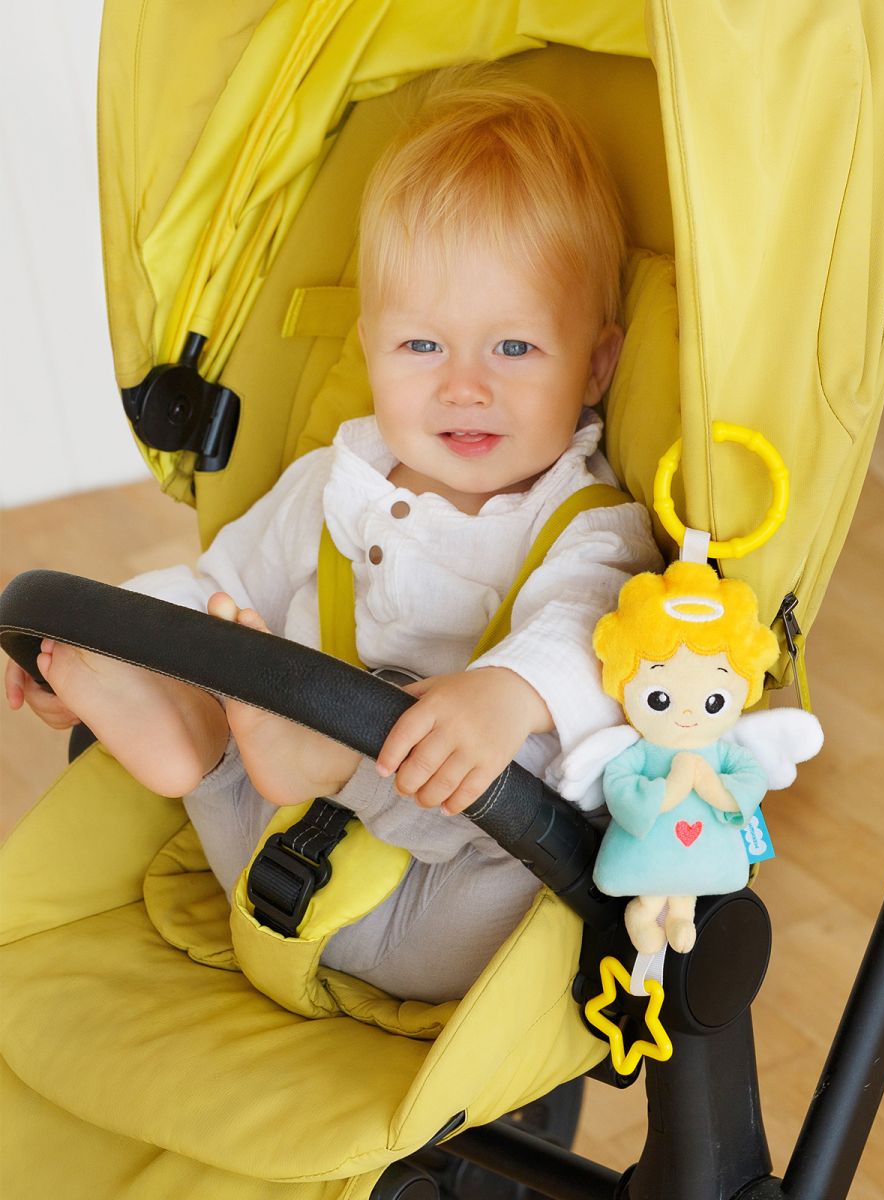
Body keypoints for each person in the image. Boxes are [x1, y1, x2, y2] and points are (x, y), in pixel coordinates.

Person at [4, 74, 661, 1003]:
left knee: (550, 800)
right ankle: (192, 737)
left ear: (596, 364)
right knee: (229, 650)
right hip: (268, 836)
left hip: (455, 896)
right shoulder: (333, 483)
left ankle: (302, 744)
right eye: (422, 347)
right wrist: (117, 635)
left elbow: (600, 638)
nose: (463, 386)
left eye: (513, 348)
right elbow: (219, 588)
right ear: (370, 346)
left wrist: (510, 694)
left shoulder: (591, 523)